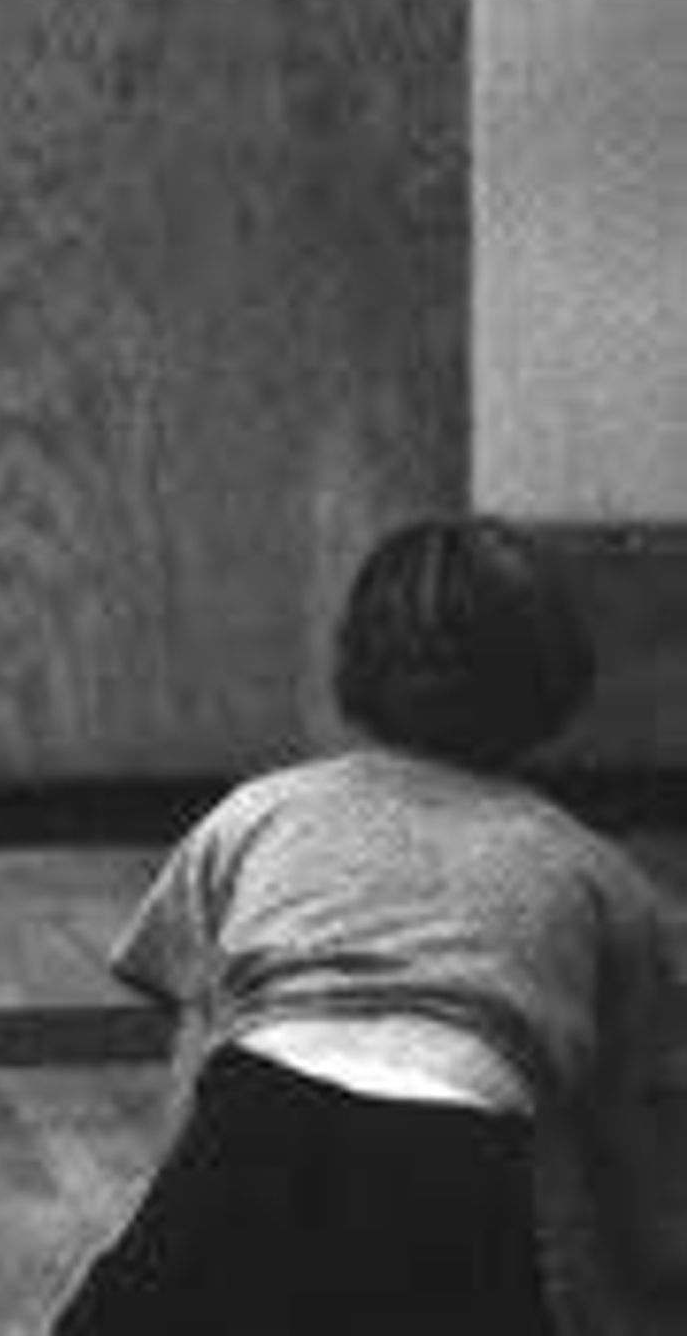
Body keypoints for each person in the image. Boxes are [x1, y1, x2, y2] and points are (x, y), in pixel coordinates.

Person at [54, 516, 686, 1335]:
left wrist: (166, 1226)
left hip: (251, 1127)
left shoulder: (257, 813)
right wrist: (653, 1273)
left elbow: (199, 1048)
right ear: (559, 678)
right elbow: (617, 1132)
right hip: (451, 1163)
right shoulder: (600, 878)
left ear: (351, 663)